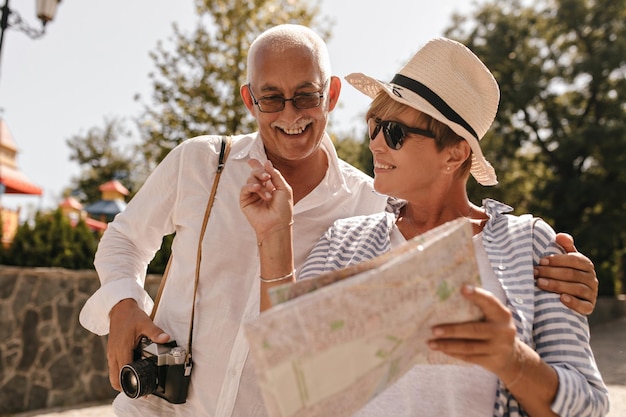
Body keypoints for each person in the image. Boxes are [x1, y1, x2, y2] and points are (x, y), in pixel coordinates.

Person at [78, 24, 597, 416]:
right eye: (375, 127)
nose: (290, 112)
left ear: (330, 95)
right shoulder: (204, 164)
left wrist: (520, 349)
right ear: (250, 99)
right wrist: (124, 309)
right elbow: (288, 347)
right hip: (158, 410)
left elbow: (585, 398)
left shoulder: (372, 205)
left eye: (393, 133)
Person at [240, 37, 609, 416]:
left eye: (395, 133)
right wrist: (273, 233)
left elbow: (590, 407)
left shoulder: (530, 245)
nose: (376, 144)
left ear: (455, 153)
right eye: (375, 125)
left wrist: (513, 361)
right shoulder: (344, 240)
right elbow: (284, 373)